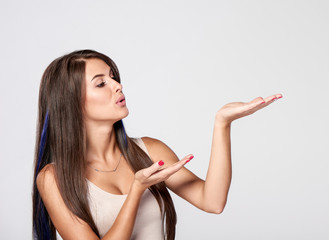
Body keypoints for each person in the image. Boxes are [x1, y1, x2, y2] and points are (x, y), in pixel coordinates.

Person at [32, 49, 282, 240]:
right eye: (101, 83)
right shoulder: (54, 178)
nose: (117, 85)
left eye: (113, 77)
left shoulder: (149, 150)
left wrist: (222, 124)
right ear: (72, 103)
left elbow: (213, 201)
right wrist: (137, 190)